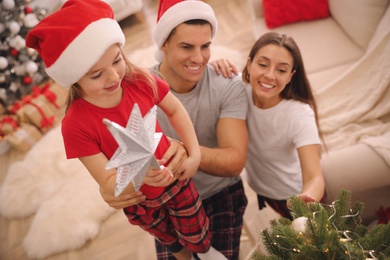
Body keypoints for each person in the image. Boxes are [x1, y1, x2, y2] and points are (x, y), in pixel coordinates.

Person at [26, 1, 227, 259]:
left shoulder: (141, 80)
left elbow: (175, 110)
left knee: (194, 223)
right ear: (73, 77)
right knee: (167, 237)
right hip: (139, 199)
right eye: (96, 75)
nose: (112, 77)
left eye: (117, 60)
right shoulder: (75, 125)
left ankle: (203, 251)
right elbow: (108, 182)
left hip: (175, 179)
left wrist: (195, 152)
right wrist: (139, 177)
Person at [100, 0, 249, 259]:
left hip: (220, 193)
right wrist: (109, 187)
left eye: (205, 46)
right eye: (186, 47)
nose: (199, 57)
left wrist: (186, 151)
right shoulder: (135, 90)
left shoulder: (227, 85)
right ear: (164, 44)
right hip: (164, 200)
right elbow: (115, 151)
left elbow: (235, 162)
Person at [213, 32, 325, 220]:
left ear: (291, 76)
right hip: (261, 189)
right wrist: (212, 68)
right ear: (249, 64)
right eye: (263, 65)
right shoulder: (236, 90)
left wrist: (306, 198)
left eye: (281, 70)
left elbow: (315, 177)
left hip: (293, 196)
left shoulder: (299, 114)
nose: (270, 75)